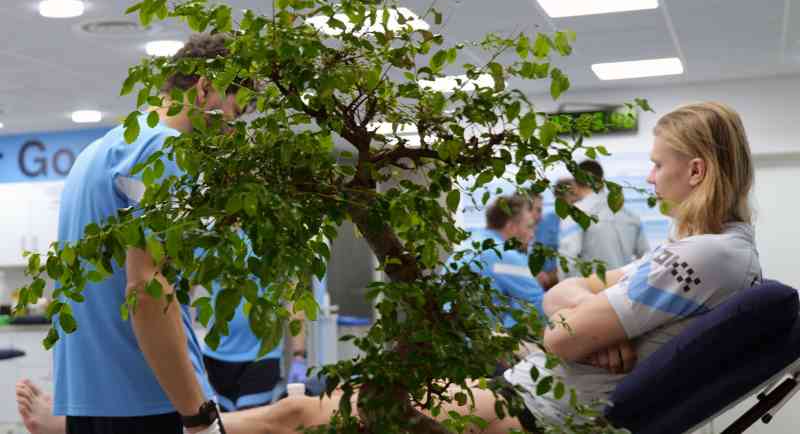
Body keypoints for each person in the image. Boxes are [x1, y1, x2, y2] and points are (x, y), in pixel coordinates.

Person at [17, 101, 763, 434]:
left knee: (300, 413)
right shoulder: (709, 255)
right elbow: (572, 299)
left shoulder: (698, 255)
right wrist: (577, 311)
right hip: (531, 390)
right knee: (298, 410)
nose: (652, 177)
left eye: (660, 165)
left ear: (695, 170)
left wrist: (574, 319)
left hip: (542, 410)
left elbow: (566, 326)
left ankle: (172, 429)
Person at [46, 33, 252, 434]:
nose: (232, 130)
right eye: (234, 113)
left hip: (91, 400)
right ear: (205, 87)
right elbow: (146, 287)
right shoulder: (166, 153)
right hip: (149, 398)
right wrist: (197, 416)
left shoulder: (103, 150)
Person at [202, 281, 307, 412]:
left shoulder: (278, 259)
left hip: (262, 355)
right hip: (217, 357)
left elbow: (295, 297)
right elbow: (182, 293)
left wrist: (299, 355)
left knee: (251, 421)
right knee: (225, 426)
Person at [453, 193, 549, 326]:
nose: (532, 234)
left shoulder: (474, 243)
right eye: (529, 226)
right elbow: (539, 306)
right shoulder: (503, 255)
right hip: (477, 339)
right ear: (511, 227)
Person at [559, 160, 650, 279]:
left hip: (589, 291)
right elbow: (646, 259)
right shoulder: (630, 216)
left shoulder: (574, 215)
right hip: (622, 290)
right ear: (602, 182)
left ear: (575, 184)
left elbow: (567, 262)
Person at [533, 178, 576, 289]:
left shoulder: (580, 220)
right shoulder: (545, 222)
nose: (575, 197)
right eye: (571, 194)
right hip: (551, 282)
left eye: (575, 193)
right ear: (558, 197)